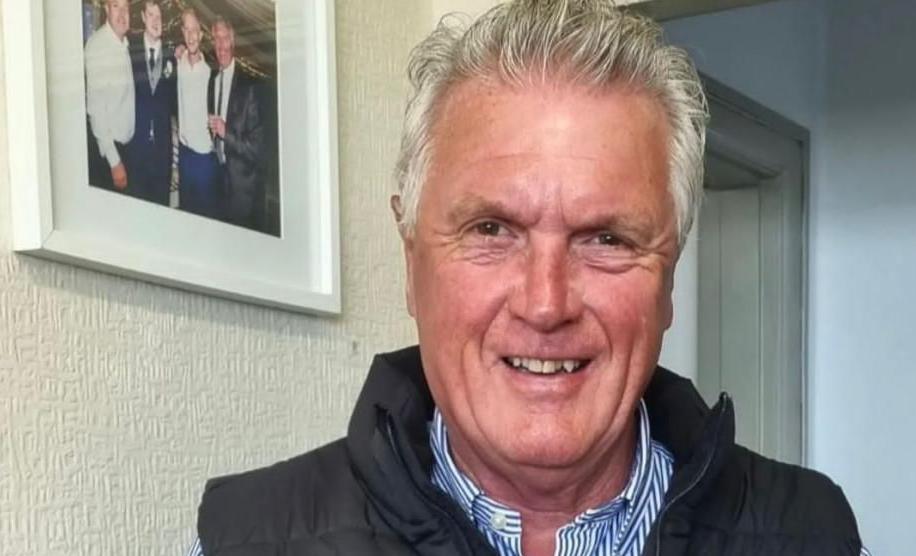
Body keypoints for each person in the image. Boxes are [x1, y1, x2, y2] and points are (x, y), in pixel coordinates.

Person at [189, 1, 869, 555]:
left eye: (606, 238)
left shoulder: (815, 536)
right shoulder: (247, 541)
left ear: (668, 279)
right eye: (491, 230)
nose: (546, 304)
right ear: (411, 259)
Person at [207, 16, 265, 230]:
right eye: (216, 40)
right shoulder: (213, 82)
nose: (220, 46)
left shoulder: (249, 87)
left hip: (242, 190)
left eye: (224, 39)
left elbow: (257, 150)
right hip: (218, 181)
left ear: (232, 42)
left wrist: (226, 132)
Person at [127, 0, 176, 206]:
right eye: (151, 15)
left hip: (161, 156)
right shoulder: (130, 53)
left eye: (159, 16)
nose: (156, 21)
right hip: (136, 152)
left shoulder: (173, 57)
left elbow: (175, 108)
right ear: (144, 18)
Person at [84, 0, 134, 192]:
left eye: (125, 8)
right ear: (106, 10)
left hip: (125, 150)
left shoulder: (123, 44)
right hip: (110, 156)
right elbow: (96, 111)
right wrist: (115, 162)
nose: (122, 14)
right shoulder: (98, 46)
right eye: (116, 7)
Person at [175, 8, 220, 218]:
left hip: (204, 157)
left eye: (196, 30)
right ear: (182, 32)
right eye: (187, 29)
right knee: (185, 213)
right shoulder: (179, 61)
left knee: (204, 217)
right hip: (184, 155)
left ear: (201, 35)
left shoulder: (211, 70)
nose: (191, 36)